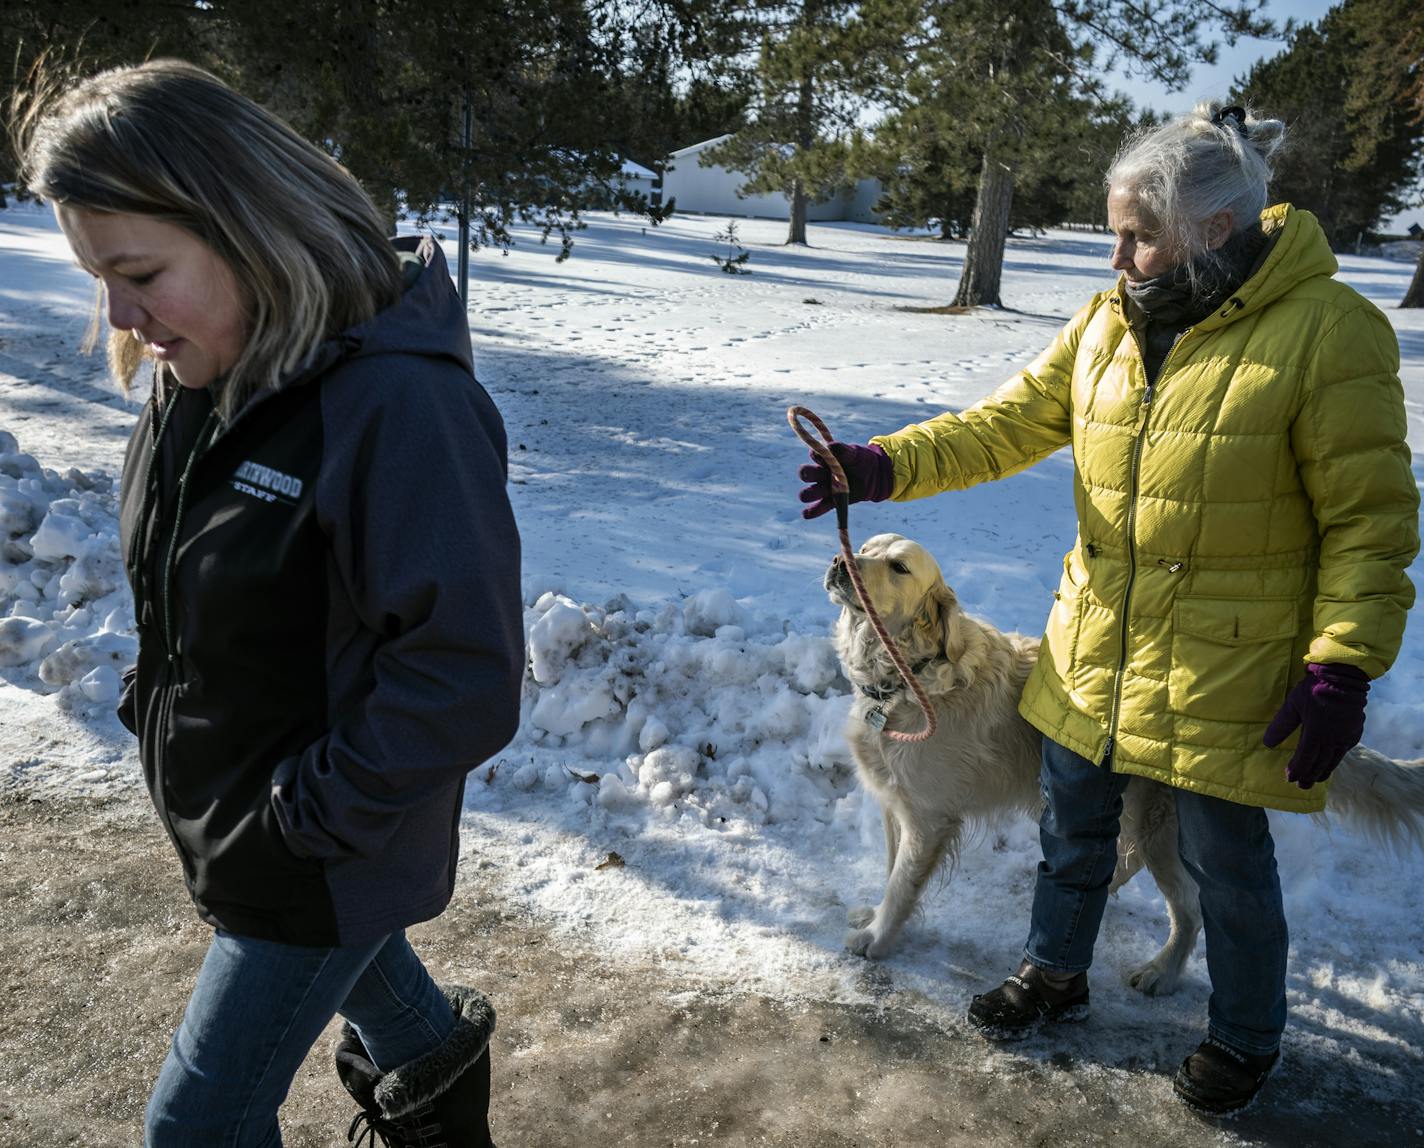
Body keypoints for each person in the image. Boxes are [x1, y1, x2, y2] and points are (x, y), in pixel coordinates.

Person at [799, 102, 1418, 1116]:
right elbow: (1003, 425)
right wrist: (882, 464)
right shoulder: (1104, 322)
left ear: (1211, 229)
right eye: (1114, 230)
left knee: (1224, 861)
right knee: (1071, 827)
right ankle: (1053, 969)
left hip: (1229, 664)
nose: (1115, 251)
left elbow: (1370, 522)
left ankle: (1243, 1034)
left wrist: (1340, 662)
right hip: (1092, 645)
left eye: (1135, 232)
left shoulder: (1325, 333)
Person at [21, 60, 524, 1146]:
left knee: (194, 1127)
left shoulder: (400, 406)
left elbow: (465, 670)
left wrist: (310, 818)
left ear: (243, 225)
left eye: (139, 271)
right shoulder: (202, 367)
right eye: (97, 276)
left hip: (309, 849)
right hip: (243, 817)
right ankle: (441, 1096)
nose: (118, 312)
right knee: (377, 985)